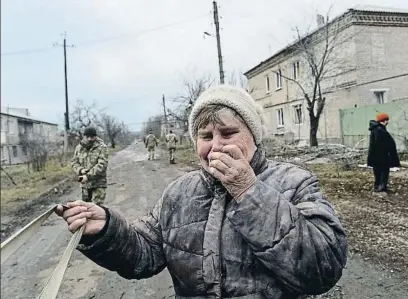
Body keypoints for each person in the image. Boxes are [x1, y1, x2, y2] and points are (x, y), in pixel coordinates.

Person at [57, 85, 348, 299]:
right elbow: (144, 254)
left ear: (254, 136)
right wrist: (105, 229)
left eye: (228, 133)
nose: (216, 145)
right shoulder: (179, 193)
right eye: (206, 136)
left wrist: (248, 191)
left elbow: (322, 271)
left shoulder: (295, 183)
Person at [71, 127, 109, 205]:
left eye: (92, 137)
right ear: (84, 136)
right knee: (85, 209)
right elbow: (74, 162)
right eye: (87, 136)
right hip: (85, 185)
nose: (89, 139)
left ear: (95, 136)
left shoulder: (102, 147)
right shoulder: (79, 148)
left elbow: (102, 165)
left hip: (98, 184)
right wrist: (80, 170)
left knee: (97, 209)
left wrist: (88, 176)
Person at [367, 112, 401, 194]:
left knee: (378, 172)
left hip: (376, 156)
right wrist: (388, 153)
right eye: (386, 120)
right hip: (382, 156)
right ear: (383, 121)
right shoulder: (380, 130)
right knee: (384, 172)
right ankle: (381, 188)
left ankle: (378, 187)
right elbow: (382, 144)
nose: (387, 122)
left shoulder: (376, 129)